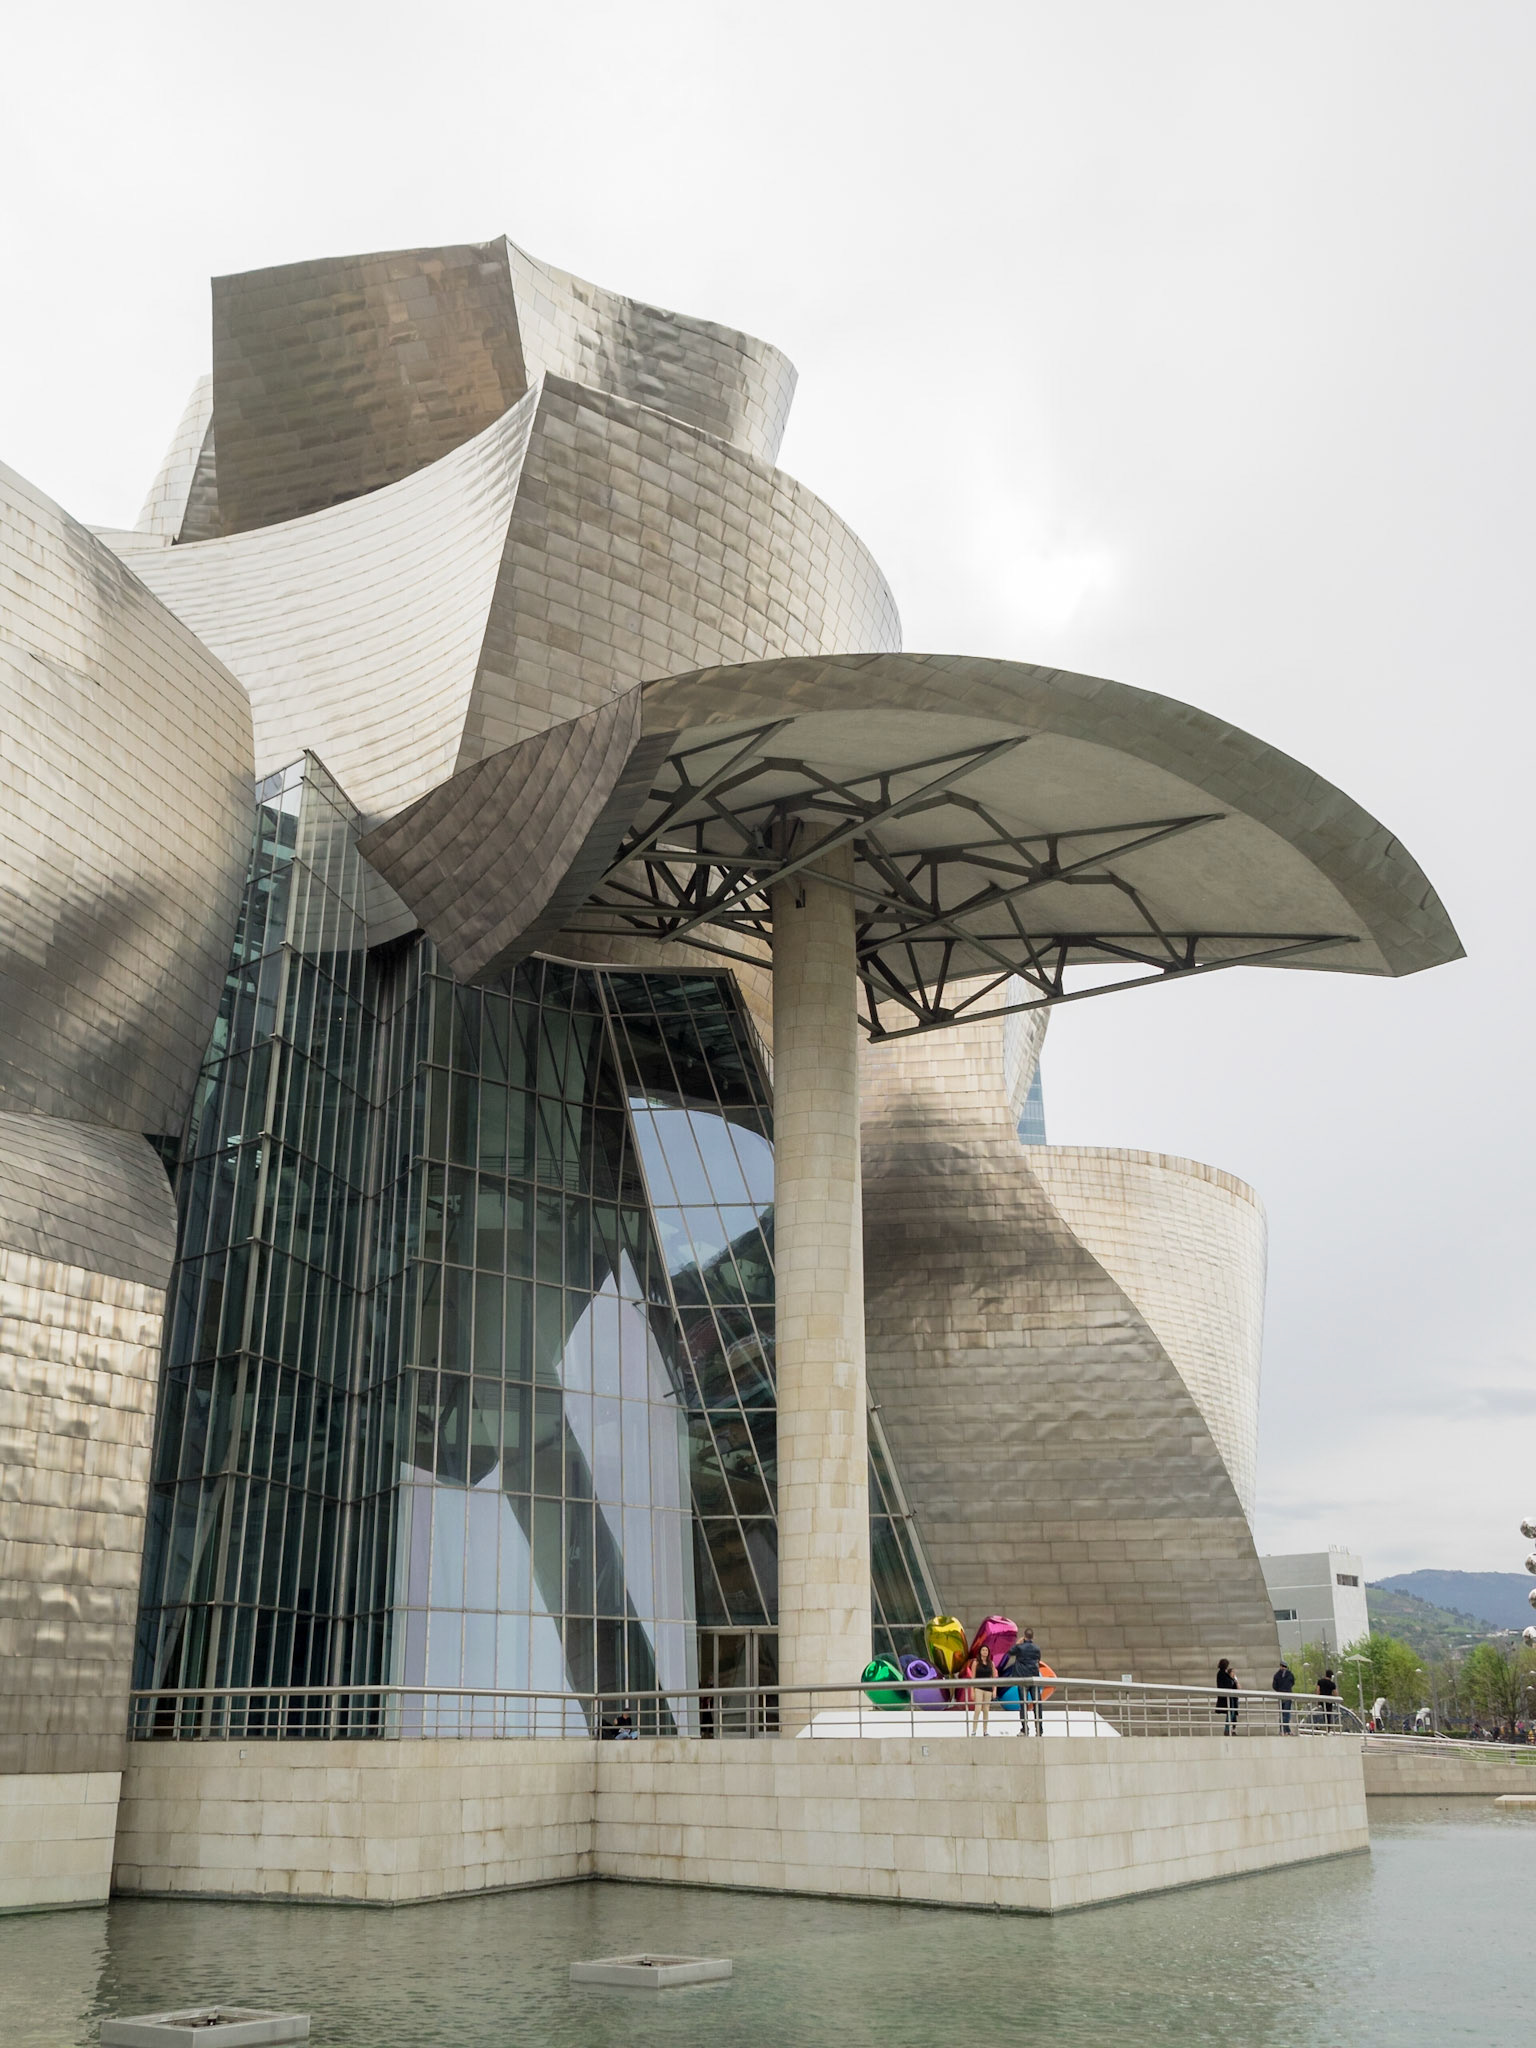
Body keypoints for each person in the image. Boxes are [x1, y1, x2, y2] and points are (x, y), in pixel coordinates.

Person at [1000, 1628, 1045, 1735]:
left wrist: (1018, 1643)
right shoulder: (1037, 1648)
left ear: (1024, 1636)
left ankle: (1025, 1729)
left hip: (1023, 1679)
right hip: (1034, 1679)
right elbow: (1038, 1660)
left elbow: (1009, 1652)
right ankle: (1039, 1729)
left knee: (1023, 1705)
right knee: (1037, 1704)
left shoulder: (1020, 1648)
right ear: (1033, 1637)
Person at [969, 1641, 996, 1734]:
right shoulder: (976, 1663)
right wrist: (972, 1691)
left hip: (988, 1689)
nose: (985, 1652)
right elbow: (973, 1677)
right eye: (983, 1650)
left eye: (986, 1650)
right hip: (978, 1688)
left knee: (986, 1710)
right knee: (978, 1708)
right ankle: (974, 1729)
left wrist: (994, 1689)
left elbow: (994, 1677)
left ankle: (985, 1730)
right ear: (980, 1651)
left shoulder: (991, 1663)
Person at [1272, 1658, 1296, 1734]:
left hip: (1280, 1695)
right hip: (1288, 1694)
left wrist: (1279, 1690)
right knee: (1286, 1713)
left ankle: (1282, 1729)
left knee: (1282, 1712)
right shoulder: (1290, 1674)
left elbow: (1274, 1686)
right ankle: (1287, 1730)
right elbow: (1293, 1683)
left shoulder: (1277, 1675)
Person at [1216, 1658, 1240, 1735]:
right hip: (1227, 1696)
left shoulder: (1221, 1673)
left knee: (1231, 1713)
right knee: (1231, 1713)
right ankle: (1227, 1729)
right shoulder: (1222, 1674)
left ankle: (1230, 1729)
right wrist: (1232, 1680)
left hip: (1230, 1696)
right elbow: (1228, 1684)